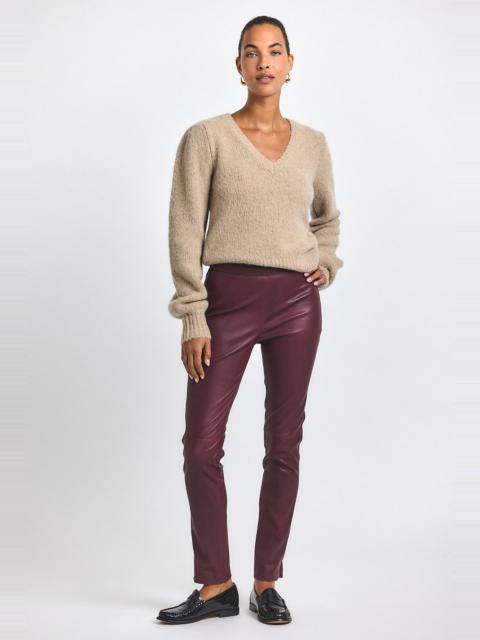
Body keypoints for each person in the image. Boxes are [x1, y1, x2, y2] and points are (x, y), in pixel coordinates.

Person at [156, 15, 344, 626]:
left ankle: (267, 582)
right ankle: (216, 584)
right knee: (201, 446)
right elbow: (186, 226)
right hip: (227, 299)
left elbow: (326, 218)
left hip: (296, 303)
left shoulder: (313, 143)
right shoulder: (206, 137)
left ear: (290, 64)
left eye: (275, 51)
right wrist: (193, 314)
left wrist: (325, 260)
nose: (264, 61)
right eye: (251, 52)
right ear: (238, 66)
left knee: (283, 444)